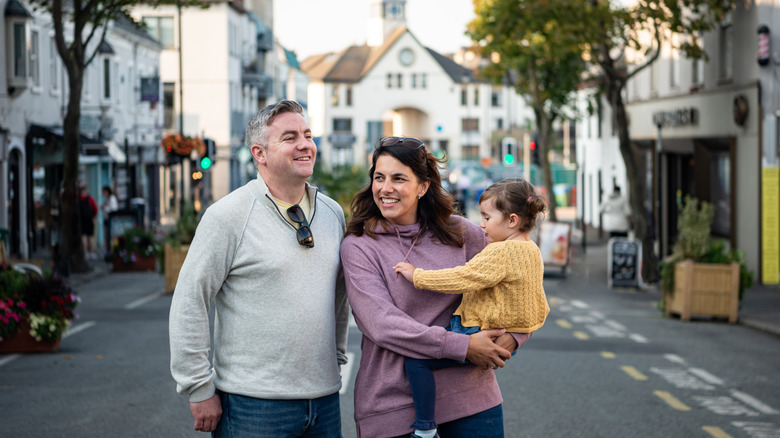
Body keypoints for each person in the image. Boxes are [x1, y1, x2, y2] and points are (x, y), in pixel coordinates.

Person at [168, 99, 349, 436]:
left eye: (307, 135)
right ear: (259, 153)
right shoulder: (228, 216)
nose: (304, 144)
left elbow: (339, 294)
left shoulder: (332, 212)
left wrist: (337, 358)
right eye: (290, 137)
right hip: (253, 405)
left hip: (324, 401)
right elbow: (190, 299)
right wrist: (198, 386)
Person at [340, 137, 532, 438]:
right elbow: (381, 324)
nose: (385, 188)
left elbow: (521, 280)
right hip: (393, 404)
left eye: (398, 178)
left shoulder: (464, 234)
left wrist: (516, 336)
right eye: (379, 177)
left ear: (423, 187)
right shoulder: (360, 246)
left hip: (471, 398)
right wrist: (463, 346)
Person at [393, 178, 550, 438]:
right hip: (501, 333)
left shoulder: (501, 252)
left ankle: (425, 426)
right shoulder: (531, 250)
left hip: (475, 331)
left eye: (487, 217)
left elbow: (463, 277)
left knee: (417, 361)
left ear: (512, 220)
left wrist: (417, 276)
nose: (482, 224)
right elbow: (539, 304)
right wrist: (516, 334)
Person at [78, 181, 98, 259]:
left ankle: (85, 252)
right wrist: (93, 217)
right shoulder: (90, 199)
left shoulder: (79, 199)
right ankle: (92, 252)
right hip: (89, 219)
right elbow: (95, 209)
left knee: (84, 237)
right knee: (90, 237)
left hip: (82, 220)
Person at [100, 186, 119, 253]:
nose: (103, 193)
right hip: (107, 219)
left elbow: (113, 210)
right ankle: (108, 250)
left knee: (112, 236)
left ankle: (112, 250)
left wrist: (104, 208)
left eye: (104, 192)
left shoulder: (112, 198)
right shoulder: (106, 199)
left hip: (111, 220)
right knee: (107, 236)